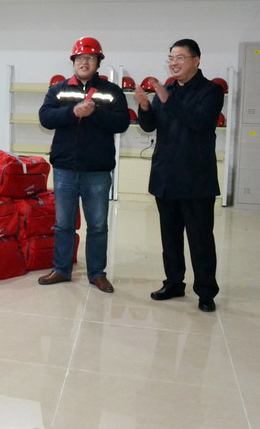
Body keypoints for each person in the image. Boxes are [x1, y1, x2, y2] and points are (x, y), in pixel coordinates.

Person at [136, 39, 223, 312]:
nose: (174, 63)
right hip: (166, 176)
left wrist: (166, 100)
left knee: (200, 239)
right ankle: (174, 283)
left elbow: (201, 122)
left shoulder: (211, 91)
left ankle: (206, 291)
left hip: (196, 179)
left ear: (196, 60)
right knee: (170, 237)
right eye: (171, 58)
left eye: (180, 58)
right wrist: (145, 107)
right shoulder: (167, 89)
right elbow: (149, 127)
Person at [37, 36, 129, 293]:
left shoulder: (111, 91)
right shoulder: (59, 89)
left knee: (98, 225)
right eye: (80, 58)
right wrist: (73, 112)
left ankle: (97, 274)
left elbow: (121, 122)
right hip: (65, 169)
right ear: (73, 61)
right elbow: (45, 117)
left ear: (98, 61)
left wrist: (95, 112)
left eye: (89, 58)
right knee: (63, 224)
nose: (84, 62)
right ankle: (61, 269)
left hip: (97, 170)